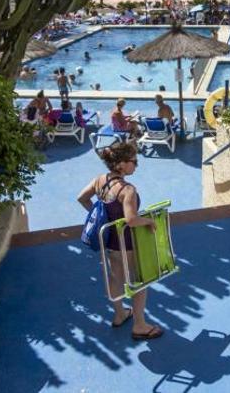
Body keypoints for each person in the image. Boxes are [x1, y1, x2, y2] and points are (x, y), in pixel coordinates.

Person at [77, 142, 164, 341]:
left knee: (116, 278)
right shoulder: (127, 190)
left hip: (109, 242)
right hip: (128, 243)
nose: (137, 165)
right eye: (134, 161)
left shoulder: (100, 180)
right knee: (139, 281)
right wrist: (149, 221)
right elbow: (131, 220)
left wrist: (100, 217)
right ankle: (140, 326)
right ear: (121, 164)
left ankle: (119, 314)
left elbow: (82, 198)